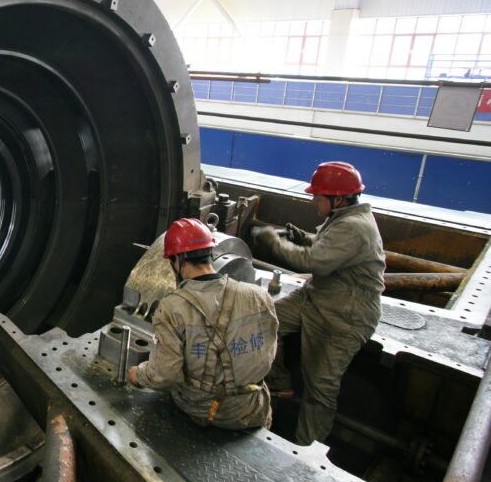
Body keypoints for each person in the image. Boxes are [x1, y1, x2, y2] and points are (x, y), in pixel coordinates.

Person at [255, 161, 385, 445]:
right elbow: (328, 245)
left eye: (318, 196)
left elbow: (314, 261)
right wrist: (304, 237)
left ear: (338, 199)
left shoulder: (354, 226)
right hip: (316, 297)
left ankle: (306, 452)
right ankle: (279, 387)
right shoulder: (344, 218)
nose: (314, 201)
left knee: (320, 388)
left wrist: (273, 242)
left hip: (343, 316)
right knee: (261, 320)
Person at [127, 218, 278, 430]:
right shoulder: (259, 296)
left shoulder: (172, 307)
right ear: (211, 253)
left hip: (204, 411)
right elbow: (268, 353)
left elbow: (164, 374)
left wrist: (138, 374)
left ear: (178, 260)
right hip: (254, 410)